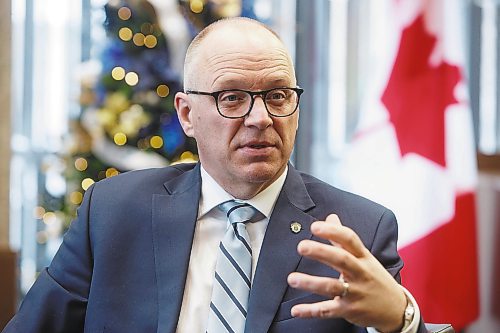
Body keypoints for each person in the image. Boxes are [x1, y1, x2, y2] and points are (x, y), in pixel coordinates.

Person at [3, 17, 426, 333]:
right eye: (232, 97)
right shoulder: (112, 212)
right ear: (187, 114)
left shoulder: (357, 229)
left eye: (277, 95)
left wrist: (402, 320)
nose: (260, 118)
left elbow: (392, 317)